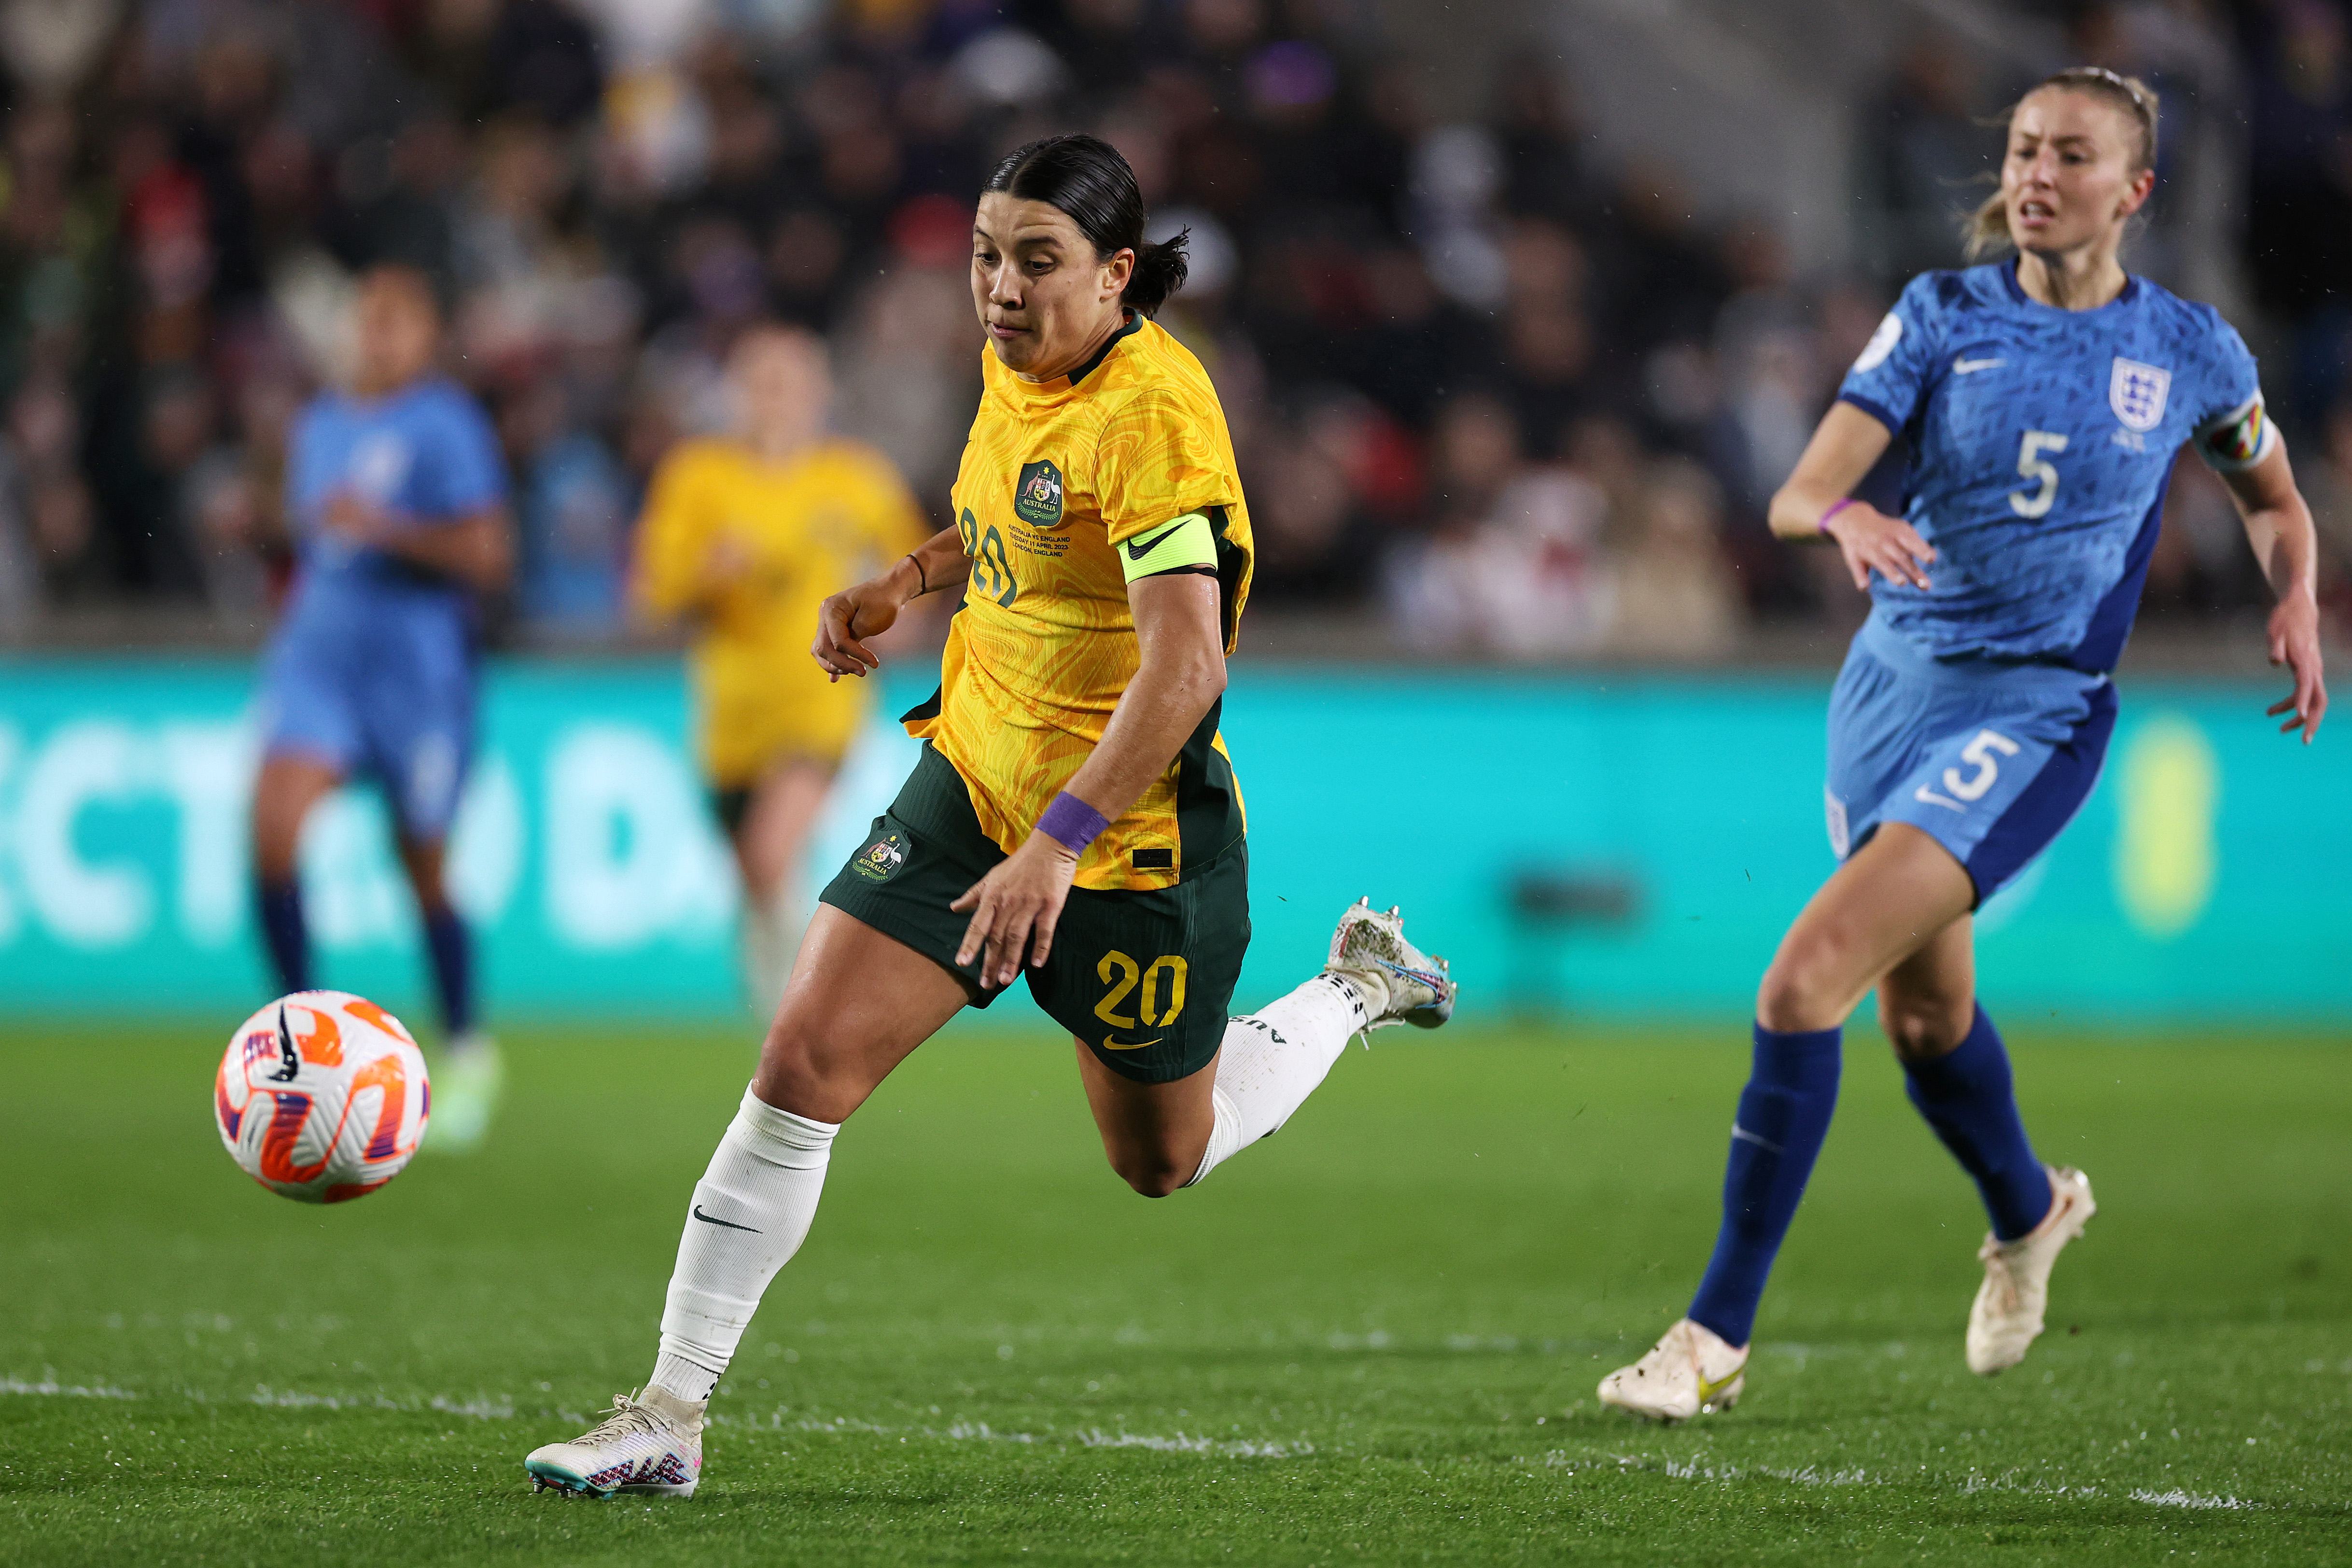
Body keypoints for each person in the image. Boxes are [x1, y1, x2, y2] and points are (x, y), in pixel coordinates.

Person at [521, 133, 1456, 1498]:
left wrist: (1059, 848)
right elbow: (1015, 524)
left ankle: (1357, 990)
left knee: (1162, 1158)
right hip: (969, 782)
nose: (998, 289)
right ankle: (668, 1414)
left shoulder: (1155, 415)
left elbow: (1187, 663)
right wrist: (901, 579)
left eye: (1036, 260)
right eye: (984, 254)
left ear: (1117, 272)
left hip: (1127, 845)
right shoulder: (1016, 367)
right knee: (801, 1063)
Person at [1599, 67, 2326, 1422]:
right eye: (2023, 150)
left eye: (2071, 155)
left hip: (2036, 708)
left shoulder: (2190, 350)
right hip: (1891, 692)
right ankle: (2029, 1210)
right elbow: (1800, 489)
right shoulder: (1942, 315)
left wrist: (2292, 593)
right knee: (1925, 1017)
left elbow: (2274, 499)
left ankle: (1711, 1336)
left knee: (1805, 977)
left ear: (2136, 191)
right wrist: (1845, 519)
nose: (2037, 174)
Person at [249, 264, 515, 1152]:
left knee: (424, 865)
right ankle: (297, 1041)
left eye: (398, 323)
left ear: (427, 334)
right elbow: (313, 539)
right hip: (318, 664)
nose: (379, 338)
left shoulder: (446, 424)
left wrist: (389, 528)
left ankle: (468, 1045)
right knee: (273, 832)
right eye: (369, 321)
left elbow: (487, 557)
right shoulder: (320, 422)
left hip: (417, 678)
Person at [632, 324, 928, 1018]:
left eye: (789, 383)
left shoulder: (855, 480)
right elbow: (652, 594)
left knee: (771, 855)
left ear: (820, 393)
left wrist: (896, 623)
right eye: (761, 383)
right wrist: (707, 575)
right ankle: (776, 1014)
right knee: (754, 876)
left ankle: (803, 1023)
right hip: (731, 710)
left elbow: (916, 574)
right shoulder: (698, 475)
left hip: (819, 699)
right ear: (735, 393)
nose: (775, 399)